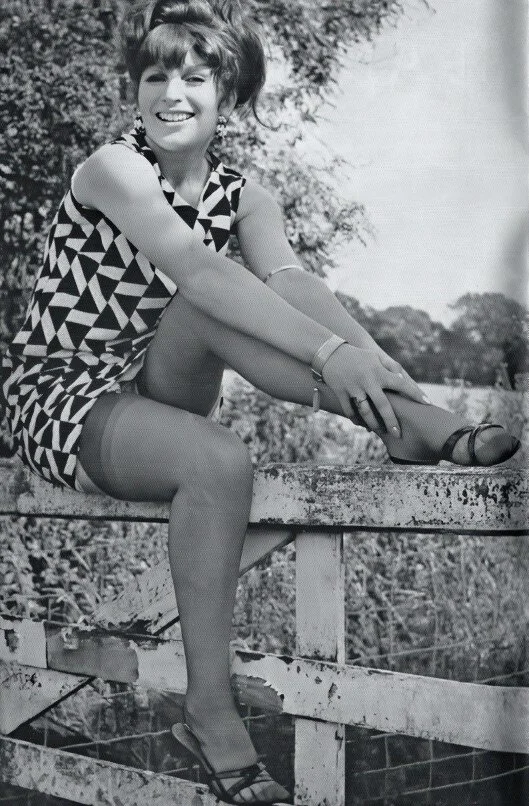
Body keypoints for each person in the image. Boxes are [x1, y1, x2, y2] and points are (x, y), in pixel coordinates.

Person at [1, 0, 520, 802]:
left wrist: (376, 364)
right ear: (134, 90)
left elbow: (290, 283)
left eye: (194, 79)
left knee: (231, 299)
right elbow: (201, 270)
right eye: (154, 76)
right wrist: (329, 355)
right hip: (62, 395)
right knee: (218, 443)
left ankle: (411, 425)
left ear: (230, 96)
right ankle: (209, 711)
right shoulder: (113, 168)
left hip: (153, 382)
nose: (171, 93)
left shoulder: (245, 194)